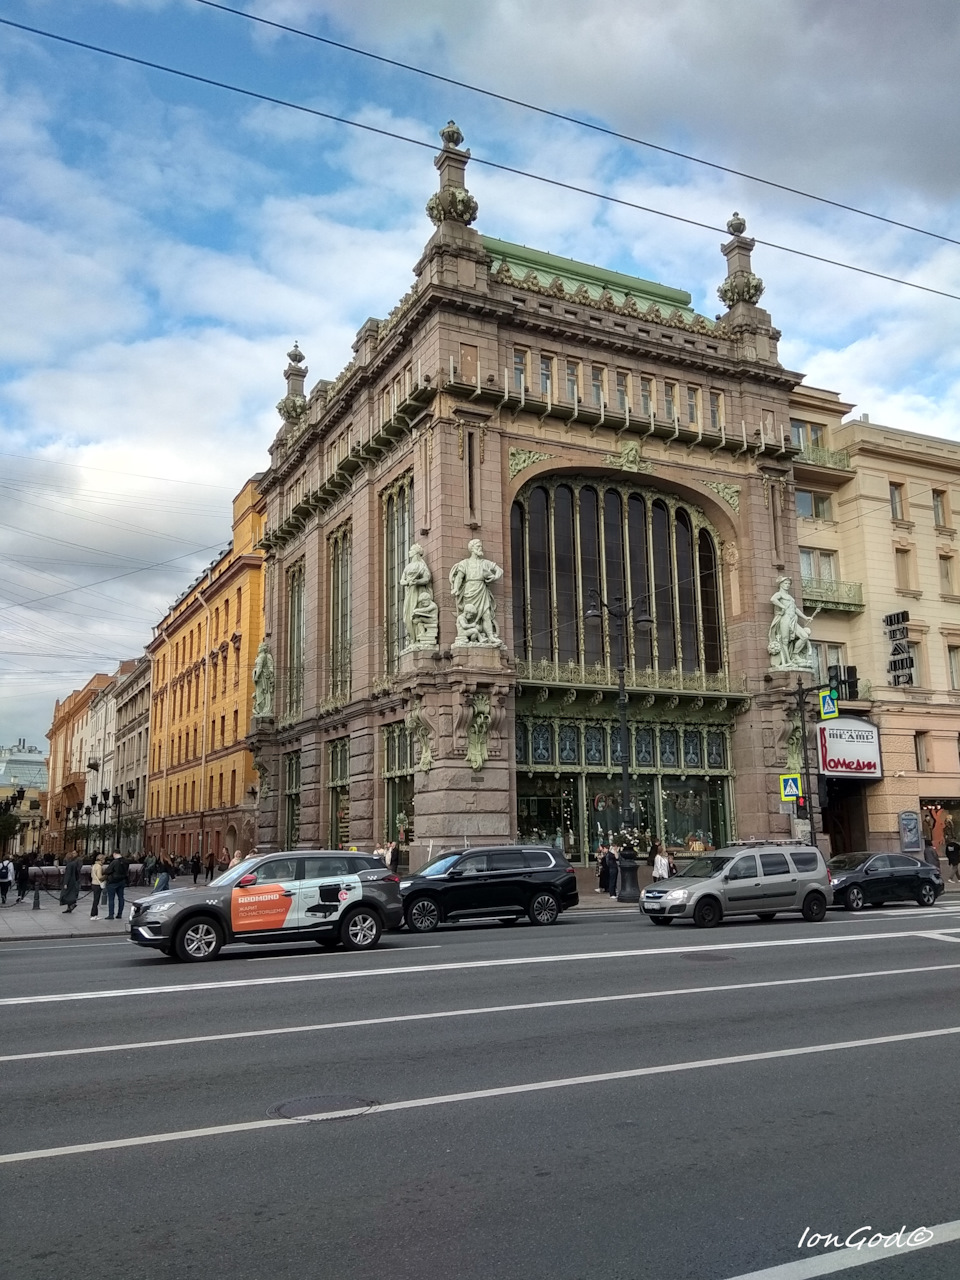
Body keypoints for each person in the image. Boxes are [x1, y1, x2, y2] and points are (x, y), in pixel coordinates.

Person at [105, 851, 129, 920]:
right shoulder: (125, 861)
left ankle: (111, 914)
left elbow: (108, 871)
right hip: (122, 881)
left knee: (111, 898)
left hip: (113, 882)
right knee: (121, 897)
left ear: (114, 854)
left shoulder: (114, 862)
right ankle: (119, 914)